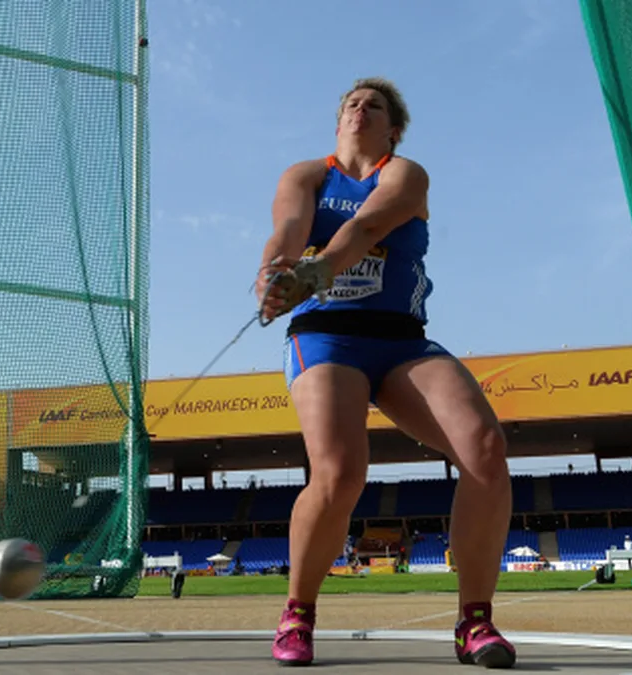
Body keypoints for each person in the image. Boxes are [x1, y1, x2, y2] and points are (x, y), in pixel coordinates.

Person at [255, 77, 516, 669]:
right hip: (326, 338)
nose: (359, 108)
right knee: (340, 472)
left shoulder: (405, 174)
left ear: (393, 129)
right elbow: (289, 229)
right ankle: (298, 613)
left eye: (374, 105)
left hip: (401, 340)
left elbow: (367, 227)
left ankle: (474, 621)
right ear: (338, 121)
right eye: (351, 103)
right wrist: (275, 272)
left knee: (485, 449)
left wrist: (317, 272)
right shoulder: (307, 176)